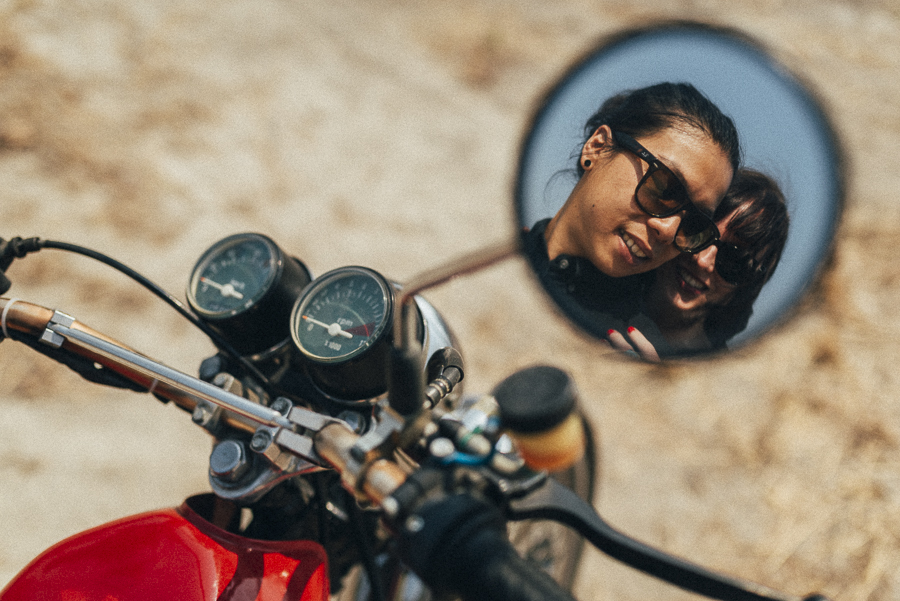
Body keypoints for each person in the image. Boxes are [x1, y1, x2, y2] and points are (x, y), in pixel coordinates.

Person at [522, 82, 741, 339]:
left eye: (694, 224)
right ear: (598, 146)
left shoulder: (638, 350)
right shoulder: (495, 247)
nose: (668, 230)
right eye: (663, 187)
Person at [608, 168, 790, 359]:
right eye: (698, 231)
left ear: (748, 285)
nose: (703, 261)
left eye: (734, 260)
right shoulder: (591, 286)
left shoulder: (720, 377)